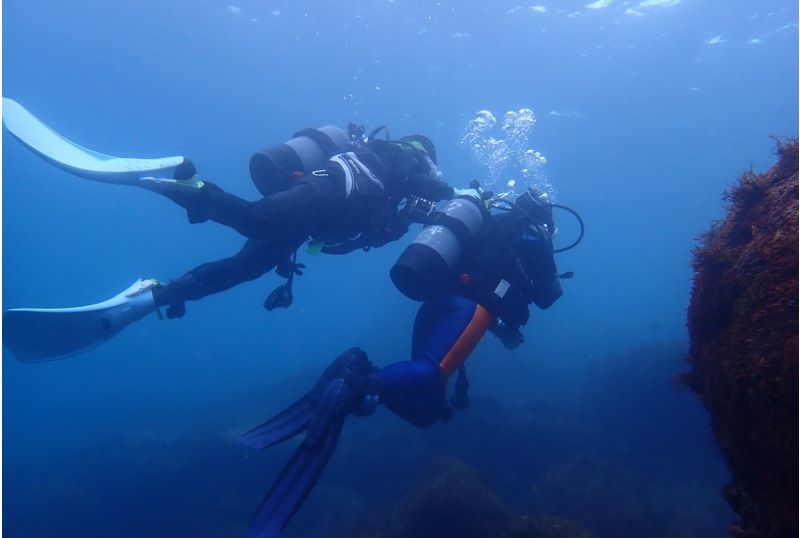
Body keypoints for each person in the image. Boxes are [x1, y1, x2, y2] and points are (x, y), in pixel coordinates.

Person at [2, 98, 484, 361]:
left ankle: (155, 297)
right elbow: (429, 192)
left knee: (245, 268)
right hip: (328, 191)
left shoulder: (399, 185)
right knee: (254, 220)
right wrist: (461, 196)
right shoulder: (406, 160)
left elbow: (374, 228)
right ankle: (178, 182)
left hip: (320, 216)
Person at [240, 188, 577, 538]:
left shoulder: (489, 224)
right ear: (544, 216)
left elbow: (482, 275)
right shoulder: (532, 234)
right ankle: (357, 385)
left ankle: (363, 374)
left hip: (436, 304)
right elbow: (548, 296)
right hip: (469, 312)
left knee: (428, 408)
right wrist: (544, 264)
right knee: (431, 371)